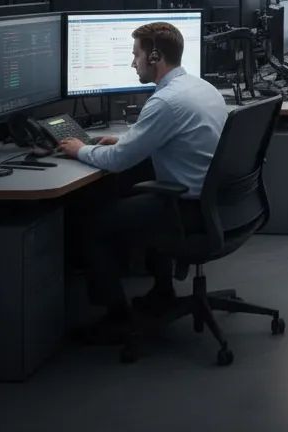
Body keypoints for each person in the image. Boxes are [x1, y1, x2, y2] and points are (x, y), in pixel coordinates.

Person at [58, 21, 227, 342]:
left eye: (135, 55)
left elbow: (120, 161)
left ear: (154, 57)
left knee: (93, 226)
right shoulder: (201, 87)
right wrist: (122, 141)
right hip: (214, 201)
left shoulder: (164, 103)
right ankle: (162, 291)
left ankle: (117, 317)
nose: (131, 62)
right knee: (137, 184)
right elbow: (158, 141)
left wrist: (80, 149)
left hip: (185, 208)